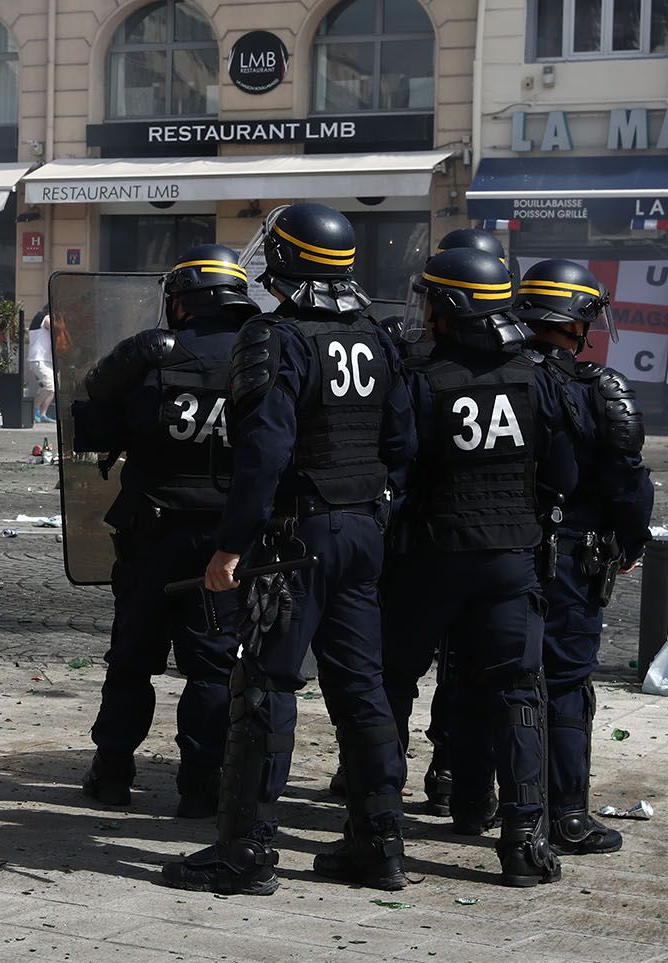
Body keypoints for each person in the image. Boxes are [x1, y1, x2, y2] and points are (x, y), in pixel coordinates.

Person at [160, 203, 415, 896]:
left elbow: (264, 451)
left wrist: (230, 547)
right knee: (361, 686)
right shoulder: (374, 335)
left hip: (295, 538)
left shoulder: (273, 336)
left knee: (266, 686)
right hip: (362, 531)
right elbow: (401, 445)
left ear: (284, 260)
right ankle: (380, 842)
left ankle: (245, 850)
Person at [381, 247, 577, 888]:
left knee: (392, 686)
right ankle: (523, 840)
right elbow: (563, 472)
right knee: (518, 692)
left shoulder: (418, 375)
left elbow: (399, 465)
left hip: (430, 557)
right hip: (510, 558)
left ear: (450, 308)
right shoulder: (537, 373)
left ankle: (378, 830)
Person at [69, 246, 260, 818]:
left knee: (131, 661)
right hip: (225, 542)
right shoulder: (262, 362)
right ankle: (200, 787)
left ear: (181, 306)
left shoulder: (151, 362)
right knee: (211, 670)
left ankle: (112, 775)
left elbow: (96, 423)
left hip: (152, 535)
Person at [517, 260, 650, 856]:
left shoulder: (495, 377)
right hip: (570, 560)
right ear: (581, 321)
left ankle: (472, 798)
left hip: (499, 554)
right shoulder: (597, 387)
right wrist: (632, 539)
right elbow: (628, 482)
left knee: (496, 677)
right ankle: (567, 814)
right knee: (567, 683)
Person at [27, 307, 56, 424]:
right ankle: (34, 409)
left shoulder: (43, 319)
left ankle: (42, 414)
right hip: (38, 359)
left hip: (45, 360)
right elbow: (54, 327)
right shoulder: (45, 318)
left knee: (53, 390)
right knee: (49, 387)